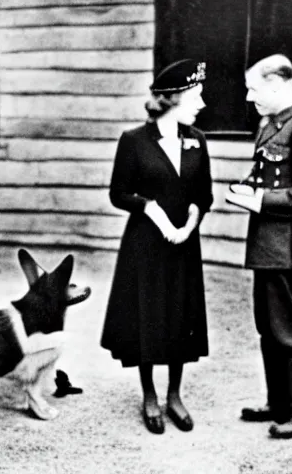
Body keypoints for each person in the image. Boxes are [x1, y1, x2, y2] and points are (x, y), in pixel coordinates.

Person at [101, 59, 213, 434]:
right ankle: (150, 396)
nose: (202, 103)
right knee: (147, 317)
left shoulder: (198, 139)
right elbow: (119, 194)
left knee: (180, 316)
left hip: (183, 245)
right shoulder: (134, 141)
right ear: (174, 98)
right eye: (196, 96)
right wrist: (153, 211)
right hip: (146, 245)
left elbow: (204, 195)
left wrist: (188, 225)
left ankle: (175, 396)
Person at [226, 54, 292, 438]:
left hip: (290, 246)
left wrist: (257, 201)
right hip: (267, 245)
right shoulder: (270, 125)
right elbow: (264, 174)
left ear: (278, 84)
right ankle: (279, 402)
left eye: (254, 89)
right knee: (269, 328)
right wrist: (247, 188)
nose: (250, 98)